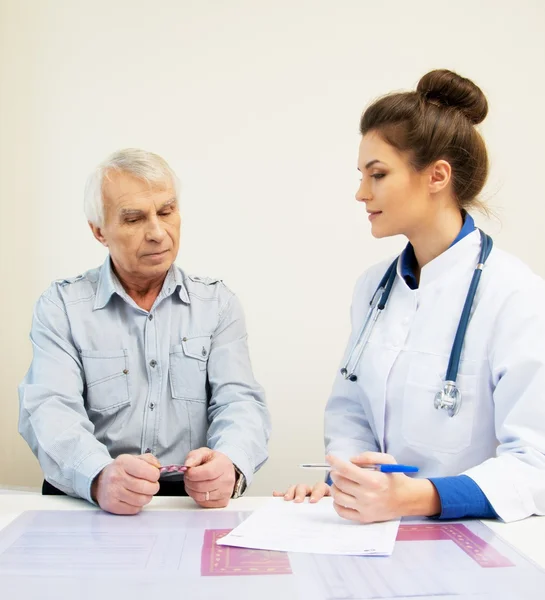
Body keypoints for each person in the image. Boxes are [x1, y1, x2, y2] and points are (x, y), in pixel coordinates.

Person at [275, 69, 545, 523]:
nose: (361, 193)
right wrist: (345, 479)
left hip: (477, 541)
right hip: (374, 530)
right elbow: (350, 411)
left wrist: (417, 498)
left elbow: (536, 465)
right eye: (361, 175)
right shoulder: (373, 288)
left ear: (437, 175)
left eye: (377, 175)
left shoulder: (516, 295)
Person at [19, 148, 270, 515]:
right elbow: (49, 408)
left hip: (186, 497)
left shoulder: (217, 304)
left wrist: (229, 463)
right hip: (90, 493)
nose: (157, 232)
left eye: (166, 212)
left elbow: (239, 402)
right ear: (99, 231)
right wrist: (99, 476)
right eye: (134, 219)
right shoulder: (62, 307)